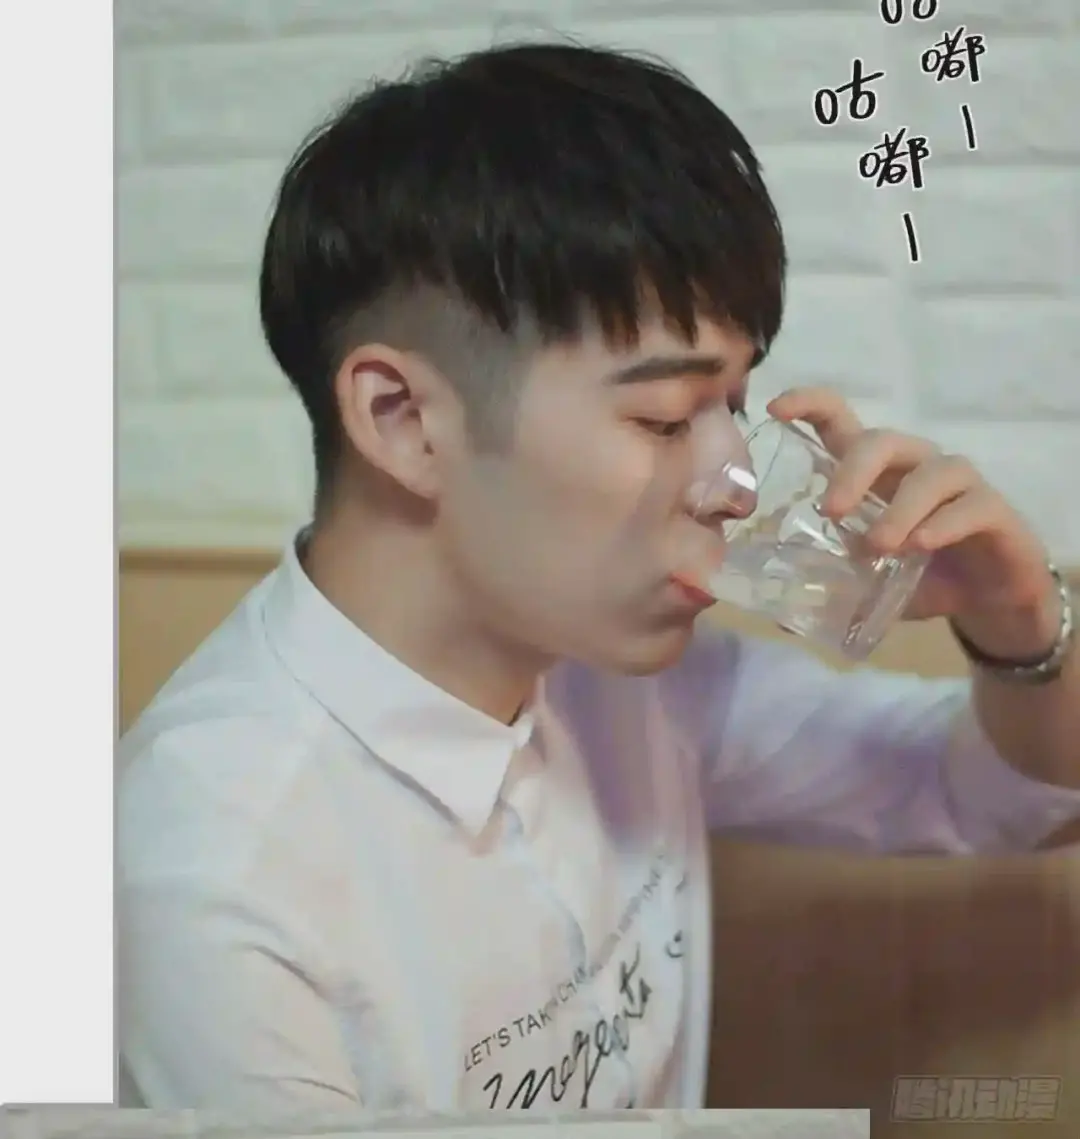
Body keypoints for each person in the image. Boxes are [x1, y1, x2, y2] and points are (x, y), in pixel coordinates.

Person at [117, 40, 1080, 1115]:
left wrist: (1018, 622)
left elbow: (999, 798)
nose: (735, 480)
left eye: (733, 406)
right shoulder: (213, 876)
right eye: (665, 417)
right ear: (402, 418)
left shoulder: (621, 674)